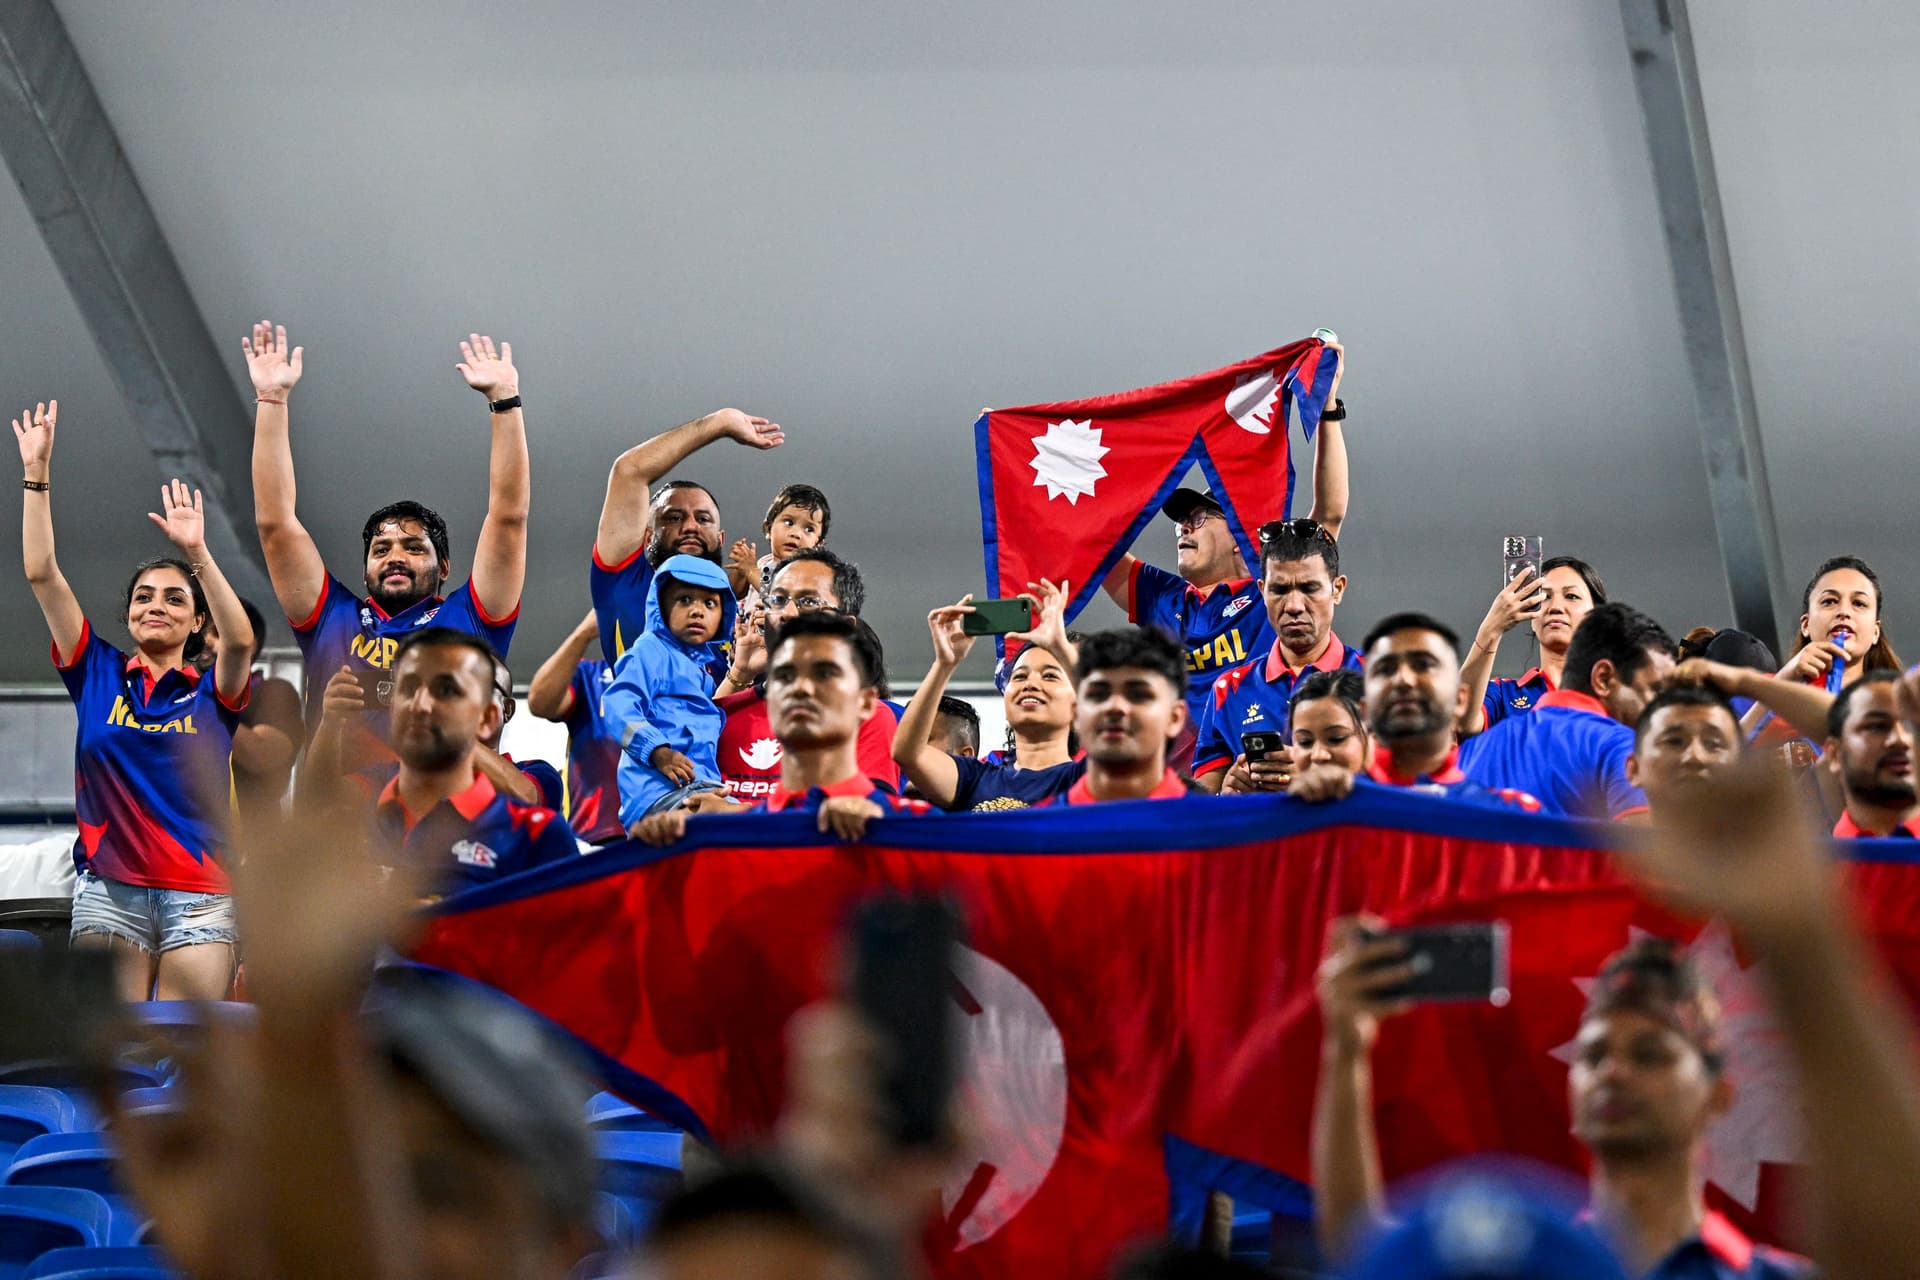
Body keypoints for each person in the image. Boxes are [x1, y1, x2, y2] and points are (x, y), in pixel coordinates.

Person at [1316, 756, 1920, 1280]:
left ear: (1720, 1092)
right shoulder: (1523, 1258)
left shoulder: (1766, 1277)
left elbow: (1896, 1249)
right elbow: (1368, 1254)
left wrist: (1798, 936)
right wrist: (1346, 1048)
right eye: (1596, 1054)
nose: (1615, 1072)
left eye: (1651, 1053)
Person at [17, 400, 254, 1000]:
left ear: (199, 623)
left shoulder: (212, 694)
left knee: (187, 1065)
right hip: (108, 893)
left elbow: (244, 639)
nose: (156, 605)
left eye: (175, 600)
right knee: (110, 1056)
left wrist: (197, 556)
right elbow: (42, 572)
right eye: (145, 596)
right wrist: (36, 475)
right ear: (126, 613)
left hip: (201, 898)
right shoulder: (94, 670)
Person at [244, 322, 528, 769]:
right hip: (335, 833)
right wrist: (272, 401)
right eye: (381, 550)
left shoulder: (472, 618)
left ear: (445, 566)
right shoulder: (331, 620)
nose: (395, 555)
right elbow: (275, 524)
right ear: (365, 571)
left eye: (414, 547)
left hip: (444, 830)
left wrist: (505, 403)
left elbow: (509, 519)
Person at [1097, 342, 1349, 745]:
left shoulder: (1272, 590)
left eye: (1198, 518)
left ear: (1240, 537)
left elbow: (1330, 512)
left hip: (1264, 768)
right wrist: (1022, 449)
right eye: (1180, 521)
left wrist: (1329, 406)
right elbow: (1094, 542)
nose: (1184, 528)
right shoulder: (1164, 598)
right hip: (1183, 785)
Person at [307, 628, 578, 891]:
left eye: (447, 689)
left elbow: (526, 797)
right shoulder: (386, 777)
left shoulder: (538, 775)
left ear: (498, 712)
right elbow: (321, 799)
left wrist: (448, 729)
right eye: (410, 687)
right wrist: (330, 724)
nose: (422, 702)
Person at [634, 612, 926, 845]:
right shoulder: (716, 829)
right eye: (785, 677)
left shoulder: (924, 836)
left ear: (865, 702)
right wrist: (660, 851)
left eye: (824, 674)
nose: (800, 689)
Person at [1263, 614, 1540, 811]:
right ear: (1366, 710)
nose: (1404, 680)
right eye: (1386, 669)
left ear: (1460, 700)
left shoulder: (1513, 815)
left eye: (1423, 665)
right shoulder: (1313, 811)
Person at [705, 549, 901, 804]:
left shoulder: (870, 717)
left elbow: (860, 821)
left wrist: (736, 816)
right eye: (777, 599)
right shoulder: (727, 711)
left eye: (808, 601)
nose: (787, 613)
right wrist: (740, 673)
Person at [590, 407, 784, 661]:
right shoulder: (625, 581)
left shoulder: (737, 619)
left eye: (703, 519)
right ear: (648, 537)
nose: (691, 526)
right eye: (674, 518)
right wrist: (718, 423)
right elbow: (628, 471)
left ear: (720, 539)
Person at [1459, 604, 1677, 820]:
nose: (1662, 708)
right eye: (1655, 689)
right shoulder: (1622, 749)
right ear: (1603, 678)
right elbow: (1646, 854)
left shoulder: (1470, 753)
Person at [1191, 520, 1362, 791]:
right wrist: (1227, 796)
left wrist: (1318, 778)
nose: (1293, 606)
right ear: (1262, 591)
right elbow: (1199, 810)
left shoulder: (1377, 682)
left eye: (1309, 588)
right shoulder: (1229, 690)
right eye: (1279, 590)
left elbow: (1409, 787)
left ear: (1337, 589)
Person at [894, 579, 1086, 811]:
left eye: (1050, 676)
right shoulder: (973, 778)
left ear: (1078, 703)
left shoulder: (1086, 776)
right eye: (1019, 676)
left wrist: (1061, 647)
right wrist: (944, 664)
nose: (1031, 683)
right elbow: (907, 753)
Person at [604, 555, 738, 829]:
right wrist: (657, 751)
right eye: (684, 600)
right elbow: (618, 703)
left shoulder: (704, 672)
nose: (697, 611)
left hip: (698, 788)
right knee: (749, 824)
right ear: (660, 608)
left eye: (709, 603)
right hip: (658, 794)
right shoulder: (650, 650)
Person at [1749, 556, 1905, 746]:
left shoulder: (1903, 704)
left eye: (1859, 603)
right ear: (1806, 625)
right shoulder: (1764, 695)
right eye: (1829, 601)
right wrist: (1784, 679)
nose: (1844, 612)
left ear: (1875, 632)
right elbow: (1721, 761)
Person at [1458, 555, 1608, 734]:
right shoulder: (1503, 695)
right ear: (1531, 615)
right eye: (1544, 596)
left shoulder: (1614, 696)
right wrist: (1490, 631)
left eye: (1571, 596)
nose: (1555, 607)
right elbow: (1461, 720)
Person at [1044, 627, 1193, 805]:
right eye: (1098, 695)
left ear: (1174, 717)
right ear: (1075, 713)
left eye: (1138, 695)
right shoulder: (1032, 829)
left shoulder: (1218, 828)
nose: (1114, 707)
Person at [195, 595, 307, 814]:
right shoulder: (186, 697)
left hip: (251, 843)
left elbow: (263, 755)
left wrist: (197, 705)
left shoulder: (274, 692)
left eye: (218, 633)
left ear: (248, 643)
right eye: (201, 633)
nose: (205, 640)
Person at [525, 610, 627, 845]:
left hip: (663, 833)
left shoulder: (682, 677)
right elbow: (540, 703)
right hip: (592, 837)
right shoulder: (591, 675)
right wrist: (584, 633)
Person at [1219, 669, 1368, 796]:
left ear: (1373, 733)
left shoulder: (1388, 809)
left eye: (1336, 738)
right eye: (1305, 742)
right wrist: (1235, 805)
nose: (1318, 755)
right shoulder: (1287, 816)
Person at [1624, 685, 1744, 823]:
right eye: (1674, 741)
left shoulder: (1769, 842)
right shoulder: (1599, 843)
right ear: (1634, 769)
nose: (1695, 756)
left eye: (1713, 744)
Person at [1822, 671, 1918, 838]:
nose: (1901, 740)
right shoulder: (1817, 861)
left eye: (1912, 727)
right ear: (1835, 754)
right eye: (1877, 727)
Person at [726, 481, 832, 608]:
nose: (796, 534)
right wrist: (741, 569)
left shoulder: (808, 575)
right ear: (769, 528)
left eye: (809, 529)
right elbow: (734, 593)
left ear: (818, 545)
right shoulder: (763, 563)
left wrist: (750, 571)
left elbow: (779, 596)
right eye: (788, 522)